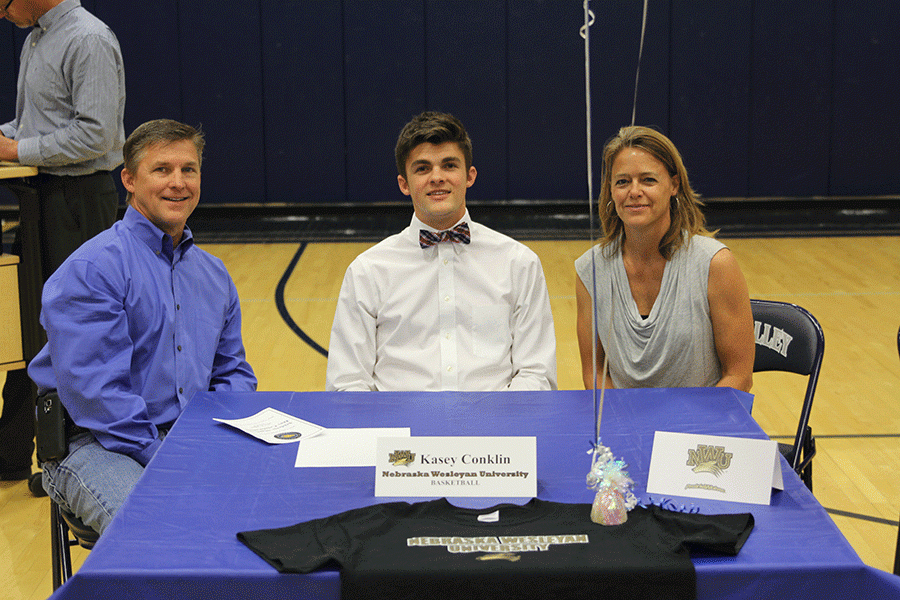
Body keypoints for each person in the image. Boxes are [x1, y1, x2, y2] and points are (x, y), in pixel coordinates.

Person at [27, 119, 257, 534]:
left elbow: (233, 373)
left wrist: (212, 438)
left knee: (279, 509)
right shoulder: (92, 270)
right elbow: (99, 398)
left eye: (189, 169)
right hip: (96, 444)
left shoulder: (214, 274)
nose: (178, 182)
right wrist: (171, 454)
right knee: (163, 532)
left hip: (186, 436)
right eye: (162, 170)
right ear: (129, 180)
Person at [326, 111, 557, 392]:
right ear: (404, 184)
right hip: (399, 430)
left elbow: (536, 374)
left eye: (449, 165)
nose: (437, 177)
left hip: (494, 429)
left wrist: (498, 427)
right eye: (422, 168)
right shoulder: (368, 270)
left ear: (469, 176)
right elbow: (347, 383)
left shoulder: (519, 263)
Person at [0, 0, 125, 489]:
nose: (2, 14)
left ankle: (82, 456)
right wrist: (6, 137)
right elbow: (35, 126)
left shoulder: (87, 38)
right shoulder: (38, 36)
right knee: (30, 324)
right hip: (41, 197)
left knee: (79, 330)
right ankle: (22, 451)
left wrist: (16, 149)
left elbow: (96, 135)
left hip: (76, 200)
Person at [575, 125, 754, 392]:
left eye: (648, 180)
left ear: (674, 185)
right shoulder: (590, 269)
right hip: (625, 425)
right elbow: (595, 373)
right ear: (610, 190)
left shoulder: (715, 263)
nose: (634, 191)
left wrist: (684, 429)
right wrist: (623, 427)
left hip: (699, 426)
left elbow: (739, 376)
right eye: (622, 181)